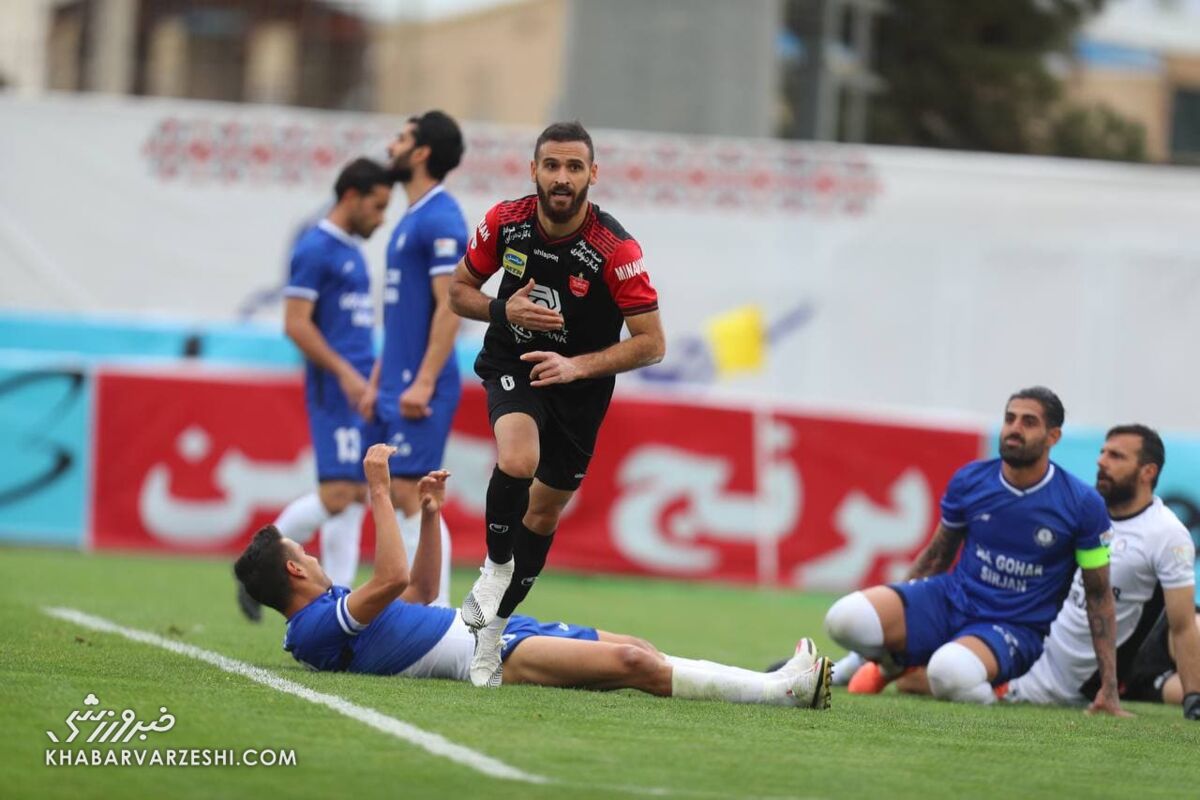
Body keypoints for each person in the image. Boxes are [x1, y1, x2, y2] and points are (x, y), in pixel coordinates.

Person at [233, 444, 832, 710]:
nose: (314, 556)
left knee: (637, 649)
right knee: (633, 667)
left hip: (490, 630)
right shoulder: (312, 628)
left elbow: (414, 592)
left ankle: (767, 680)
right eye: (304, 553)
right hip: (486, 658)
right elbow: (390, 578)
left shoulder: (327, 614)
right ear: (293, 569)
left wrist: (433, 518)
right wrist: (380, 492)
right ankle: (781, 694)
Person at [447, 121, 666, 686]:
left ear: (593, 174)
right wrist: (504, 311)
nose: (562, 178)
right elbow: (457, 292)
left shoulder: (617, 250)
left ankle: (493, 632)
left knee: (542, 514)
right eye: (552, 166)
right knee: (517, 461)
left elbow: (652, 344)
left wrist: (577, 365)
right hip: (513, 365)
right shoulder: (504, 222)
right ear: (534, 171)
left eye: (574, 167)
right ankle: (494, 569)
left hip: (581, 389)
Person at [823, 387, 1126, 713]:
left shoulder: (1082, 504)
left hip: (1013, 626)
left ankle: (975, 682)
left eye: (1028, 422)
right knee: (844, 620)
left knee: (948, 673)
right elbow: (938, 556)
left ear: (1053, 436)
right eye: (1010, 419)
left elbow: (1098, 595)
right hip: (951, 600)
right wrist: (888, 622)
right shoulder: (971, 480)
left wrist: (1109, 687)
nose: (1014, 428)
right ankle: (892, 661)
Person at [238, 158, 393, 621]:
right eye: (378, 206)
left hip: (361, 388)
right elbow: (296, 325)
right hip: (335, 389)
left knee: (355, 499)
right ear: (351, 197)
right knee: (338, 495)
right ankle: (256, 565)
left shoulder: (351, 250)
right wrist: (345, 373)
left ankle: (338, 607)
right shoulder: (314, 248)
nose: (382, 218)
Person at [1001, 425, 1200, 718]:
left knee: (946, 675)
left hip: (1074, 683)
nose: (1102, 461)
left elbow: (1182, 626)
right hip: (1022, 647)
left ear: (1147, 472)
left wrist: (1193, 701)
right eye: (1102, 452)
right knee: (932, 667)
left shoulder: (1166, 534)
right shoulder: (1081, 511)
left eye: (1116, 456)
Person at [365, 110, 469, 607]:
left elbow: (452, 306)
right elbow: (400, 318)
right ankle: (420, 605)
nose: (392, 146)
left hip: (421, 384)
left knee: (414, 495)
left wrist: (425, 380)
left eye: (402, 138)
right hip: (396, 381)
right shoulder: (412, 218)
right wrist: (377, 381)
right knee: (396, 493)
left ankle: (437, 609)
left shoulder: (441, 217)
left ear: (422, 151)